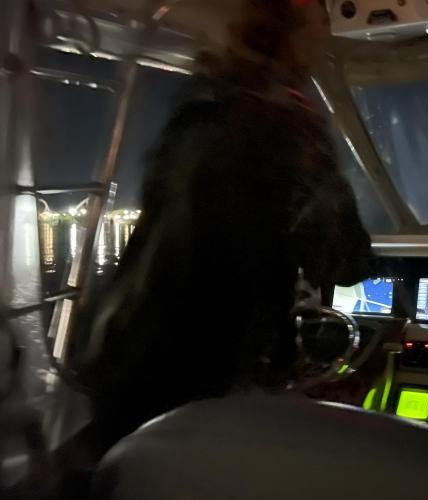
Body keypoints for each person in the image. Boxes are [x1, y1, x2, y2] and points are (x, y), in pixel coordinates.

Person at [41, 0, 372, 490]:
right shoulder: (291, 127)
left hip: (120, 354)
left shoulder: (198, 107)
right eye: (319, 27)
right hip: (197, 379)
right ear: (298, 40)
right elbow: (344, 260)